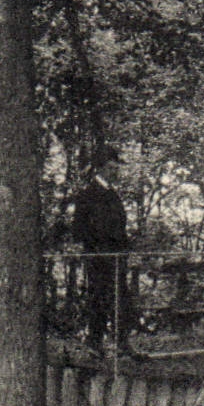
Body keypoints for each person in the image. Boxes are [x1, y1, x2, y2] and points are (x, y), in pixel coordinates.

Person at [71, 146, 133, 353]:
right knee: (98, 298)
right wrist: (97, 249)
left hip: (116, 258)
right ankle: (95, 343)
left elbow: (120, 227)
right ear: (100, 169)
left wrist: (124, 250)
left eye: (117, 168)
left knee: (120, 298)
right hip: (98, 258)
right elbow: (79, 229)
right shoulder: (87, 195)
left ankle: (122, 343)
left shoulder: (112, 194)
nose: (115, 172)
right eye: (111, 168)